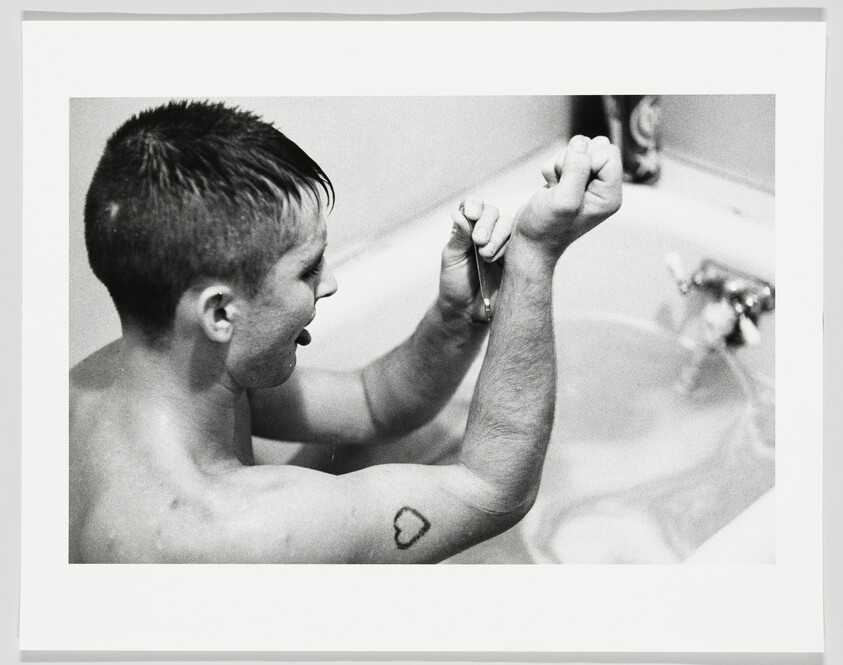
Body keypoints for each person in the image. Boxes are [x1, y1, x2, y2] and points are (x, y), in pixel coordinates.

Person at [69, 100, 622, 563]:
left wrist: (460, 314)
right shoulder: (238, 532)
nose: (330, 284)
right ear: (218, 313)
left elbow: (374, 403)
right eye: (308, 269)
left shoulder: (126, 377)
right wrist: (535, 255)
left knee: (443, 429)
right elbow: (492, 491)